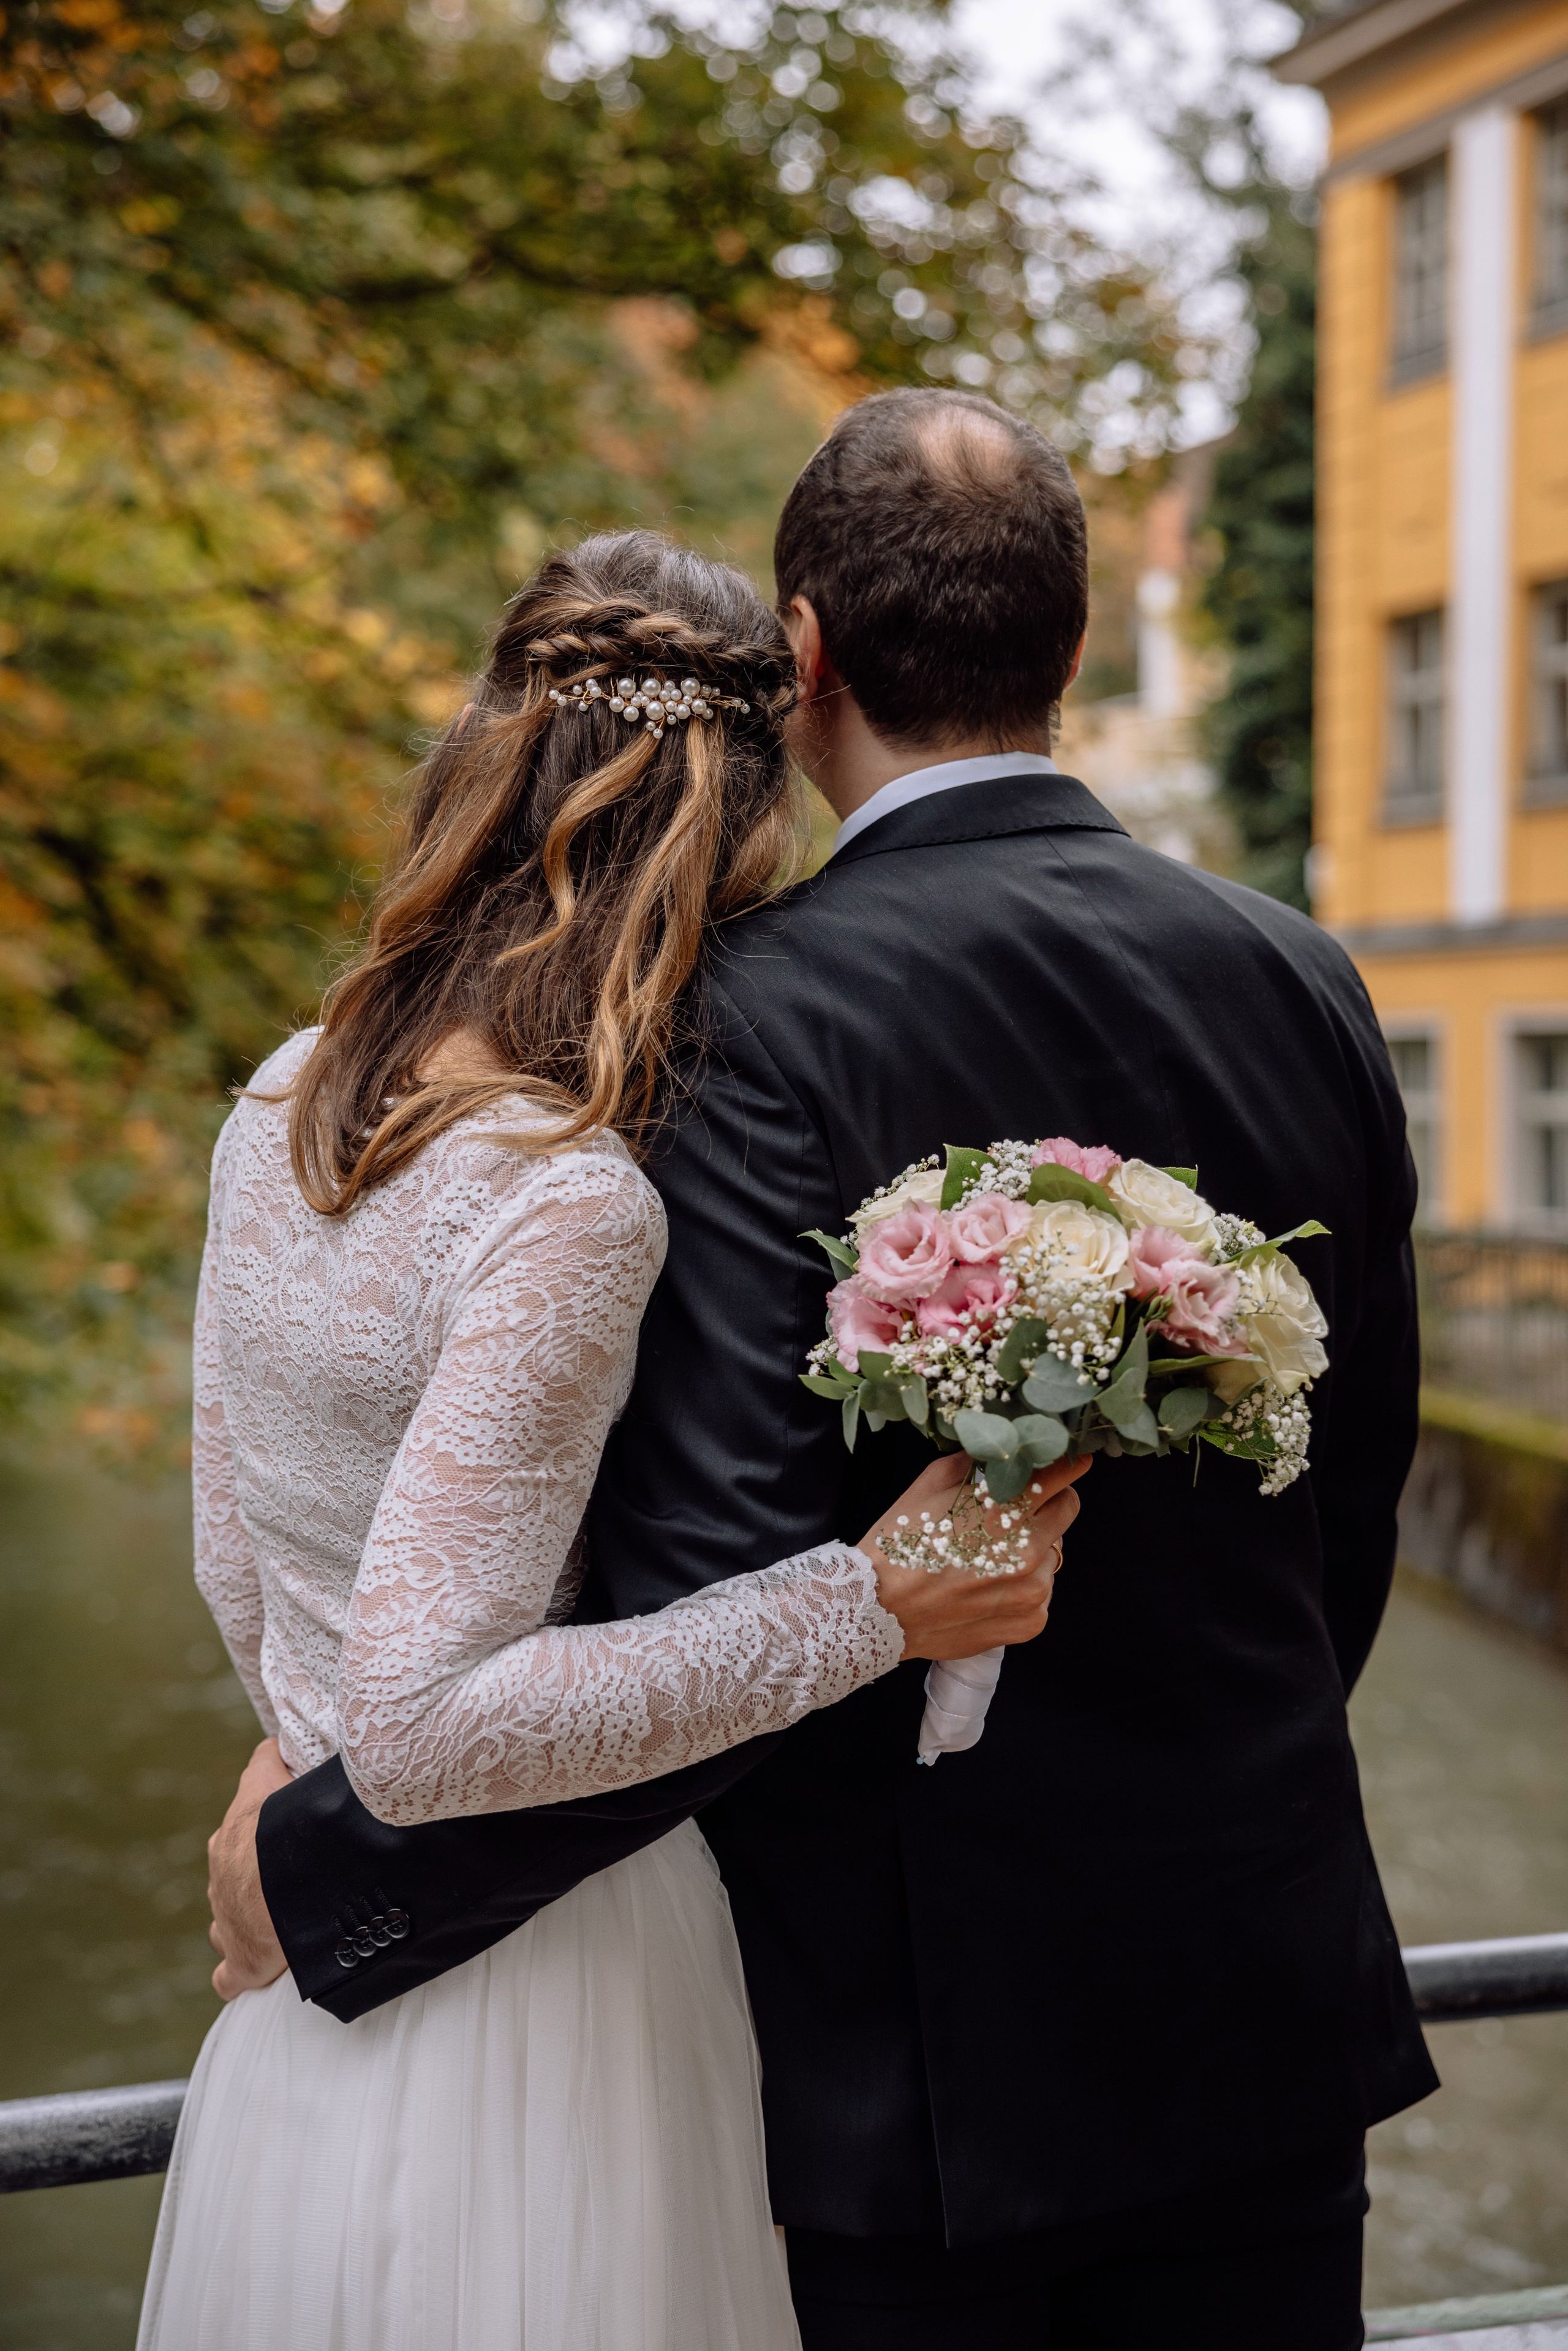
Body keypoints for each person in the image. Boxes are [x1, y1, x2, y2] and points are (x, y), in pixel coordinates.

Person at [207, 389, 1436, 2351]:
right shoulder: (1303, 972)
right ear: (1073, 643)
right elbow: (1349, 1501)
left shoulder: (727, 1017)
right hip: (1259, 2011)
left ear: (803, 652)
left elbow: (703, 1573)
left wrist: (334, 1858)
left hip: (892, 2075)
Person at [137, 526, 1080, 2351]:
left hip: (306, 2027)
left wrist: (290, 1765)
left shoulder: (278, 1100)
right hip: (546, 2003)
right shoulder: (565, 1196)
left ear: (482, 756)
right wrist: (872, 1601)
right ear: (738, 817)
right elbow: (424, 1738)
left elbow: (234, 1559)